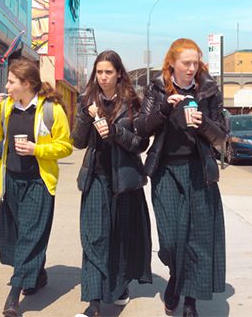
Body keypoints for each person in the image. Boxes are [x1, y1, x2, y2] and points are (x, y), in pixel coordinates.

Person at [136, 38, 227, 317]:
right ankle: (176, 276)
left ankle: (190, 301)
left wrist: (203, 122)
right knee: (172, 240)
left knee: (197, 240)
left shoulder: (209, 90)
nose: (191, 68)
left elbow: (222, 136)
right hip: (165, 173)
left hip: (199, 171)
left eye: (195, 63)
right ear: (171, 64)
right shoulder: (157, 88)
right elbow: (141, 127)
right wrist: (164, 108)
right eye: (186, 63)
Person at [0, 59, 73, 317]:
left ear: (27, 84)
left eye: (11, 81)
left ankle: (14, 293)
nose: (7, 86)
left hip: (38, 183)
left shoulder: (50, 110)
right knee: (17, 235)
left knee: (31, 235)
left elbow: (66, 146)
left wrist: (37, 149)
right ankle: (38, 273)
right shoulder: (7, 108)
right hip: (11, 181)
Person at [71, 51, 152, 317]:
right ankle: (93, 303)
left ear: (119, 74)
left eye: (108, 72)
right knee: (94, 236)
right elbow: (78, 142)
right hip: (96, 178)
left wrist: (116, 132)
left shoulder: (132, 103)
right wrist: (85, 115)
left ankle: (119, 288)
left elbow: (141, 143)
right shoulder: (87, 101)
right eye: (99, 72)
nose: (103, 77)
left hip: (124, 180)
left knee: (120, 236)